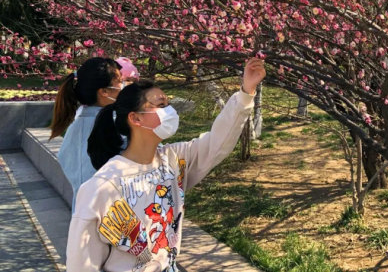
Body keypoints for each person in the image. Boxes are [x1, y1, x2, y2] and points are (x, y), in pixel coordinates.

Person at [66, 57, 266, 272]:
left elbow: (218, 142)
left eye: (168, 104)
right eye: (160, 105)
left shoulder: (173, 160)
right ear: (136, 119)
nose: (169, 111)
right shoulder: (103, 187)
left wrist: (246, 92)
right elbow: (82, 265)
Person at [51, 57, 124, 211]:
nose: (123, 86)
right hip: (110, 215)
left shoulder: (77, 121)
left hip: (82, 213)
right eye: (120, 81)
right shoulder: (114, 125)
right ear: (104, 91)